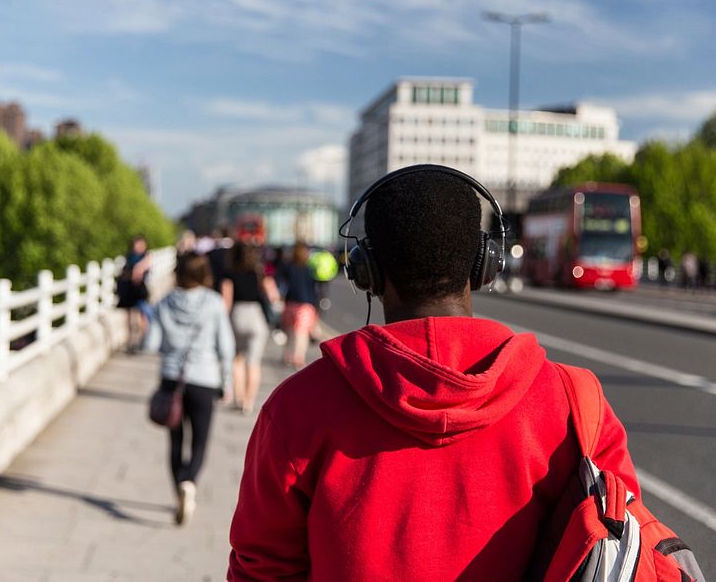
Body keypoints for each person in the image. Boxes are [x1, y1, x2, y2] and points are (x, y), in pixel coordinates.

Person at [228, 167, 644, 580]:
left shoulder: (297, 407)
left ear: (366, 269)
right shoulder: (576, 404)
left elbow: (260, 568)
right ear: (485, 263)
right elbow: (622, 547)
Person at [144, 251, 235, 526]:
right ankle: (189, 482)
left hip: (172, 379)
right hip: (205, 380)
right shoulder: (214, 303)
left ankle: (178, 490)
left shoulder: (164, 304)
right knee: (200, 440)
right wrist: (227, 382)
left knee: (175, 440)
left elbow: (150, 344)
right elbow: (226, 347)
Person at [221, 242, 281, 415]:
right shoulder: (260, 272)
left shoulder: (229, 273)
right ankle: (249, 402)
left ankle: (238, 398)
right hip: (256, 317)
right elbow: (273, 295)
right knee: (254, 363)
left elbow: (226, 301)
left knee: (237, 359)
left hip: (237, 315)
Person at [277, 241, 319, 369]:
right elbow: (314, 289)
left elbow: (280, 281)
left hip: (290, 303)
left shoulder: (288, 266)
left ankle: (287, 356)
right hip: (306, 306)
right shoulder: (310, 268)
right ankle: (298, 358)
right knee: (302, 334)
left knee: (290, 331)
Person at [116, 235, 152, 351]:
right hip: (129, 290)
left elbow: (139, 272)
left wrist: (136, 270)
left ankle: (143, 339)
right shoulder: (130, 256)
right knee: (130, 315)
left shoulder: (146, 256)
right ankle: (131, 340)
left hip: (140, 291)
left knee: (143, 315)